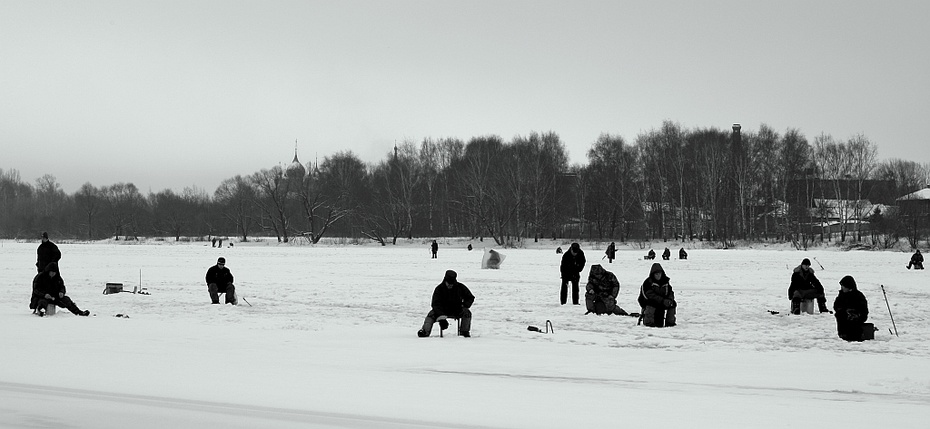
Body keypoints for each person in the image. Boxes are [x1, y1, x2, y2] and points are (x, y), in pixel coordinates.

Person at [417, 270, 475, 338]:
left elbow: (470, 297)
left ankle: (464, 332)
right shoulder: (439, 289)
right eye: (448, 283)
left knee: (467, 313)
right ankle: (424, 331)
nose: (450, 285)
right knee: (431, 315)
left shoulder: (460, 287)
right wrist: (441, 317)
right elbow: (435, 304)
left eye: (452, 284)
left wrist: (464, 305)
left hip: (457, 310)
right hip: (442, 310)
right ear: (445, 281)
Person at [638, 263, 676, 327]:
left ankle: (670, 323)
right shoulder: (647, 282)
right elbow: (649, 295)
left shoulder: (665, 282)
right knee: (651, 303)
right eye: (656, 274)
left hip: (662, 301)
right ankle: (648, 323)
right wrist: (662, 300)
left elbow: (670, 292)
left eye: (659, 274)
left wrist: (669, 300)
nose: (658, 276)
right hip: (649, 302)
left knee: (673, 303)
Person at [833, 275, 869, 342]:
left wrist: (853, 312)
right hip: (845, 314)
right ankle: (843, 334)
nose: (842, 288)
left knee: (851, 317)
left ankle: (855, 335)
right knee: (840, 314)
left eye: (843, 286)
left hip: (857, 315)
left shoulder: (858, 295)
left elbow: (863, 309)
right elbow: (836, 306)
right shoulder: (841, 295)